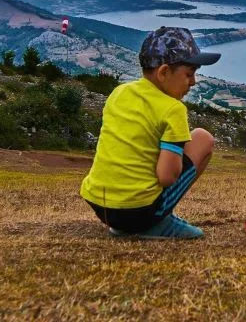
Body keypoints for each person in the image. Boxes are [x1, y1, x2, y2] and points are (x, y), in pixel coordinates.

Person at [80, 27, 220, 239]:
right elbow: (167, 177)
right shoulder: (173, 109)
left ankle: (127, 225)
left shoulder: (119, 93)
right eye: (189, 74)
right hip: (137, 211)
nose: (193, 82)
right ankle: (158, 222)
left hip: (101, 205)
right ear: (164, 72)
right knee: (203, 139)